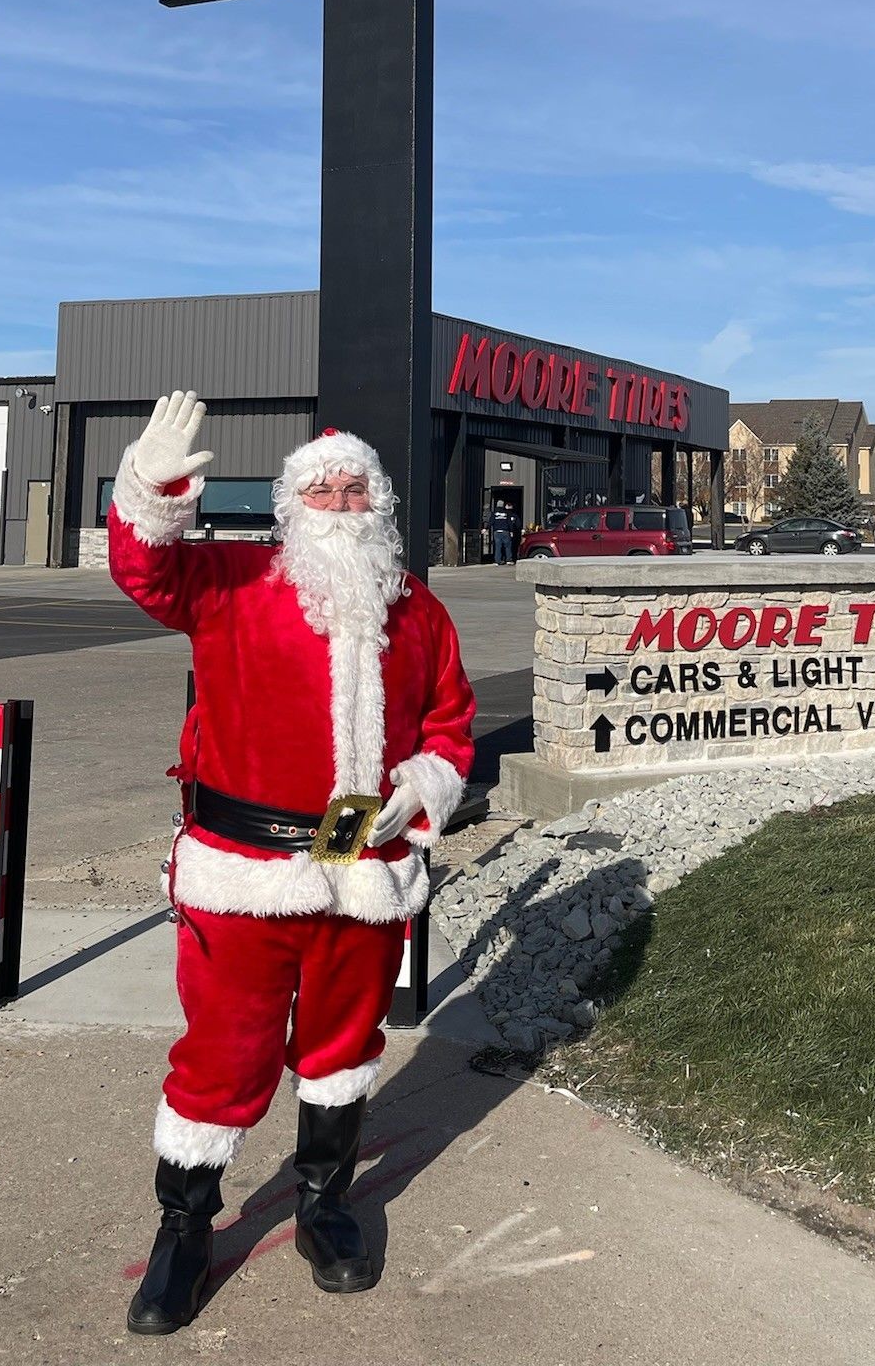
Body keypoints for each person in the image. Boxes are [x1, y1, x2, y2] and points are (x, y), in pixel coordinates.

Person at [107, 392, 475, 1336]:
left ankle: (324, 1206)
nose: (342, 502)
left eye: (357, 489)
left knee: (343, 1050)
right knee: (221, 1057)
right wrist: (150, 486)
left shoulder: (417, 609)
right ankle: (184, 1232)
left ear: (380, 505)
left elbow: (450, 722)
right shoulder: (230, 581)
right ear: (291, 503)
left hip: (365, 874)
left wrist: (423, 785)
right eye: (324, 488)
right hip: (243, 877)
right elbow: (145, 572)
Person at [492, 499, 516, 566]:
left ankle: (497, 561)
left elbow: (491, 521)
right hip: (505, 531)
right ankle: (508, 560)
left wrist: (485, 528)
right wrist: (511, 531)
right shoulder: (506, 513)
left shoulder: (494, 513)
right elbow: (509, 523)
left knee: (498, 546)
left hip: (497, 532)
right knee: (508, 546)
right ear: (503, 505)